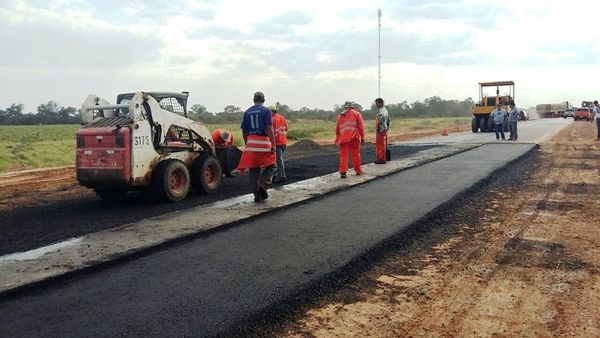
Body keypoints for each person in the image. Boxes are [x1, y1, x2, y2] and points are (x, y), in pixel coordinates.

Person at [238, 92, 276, 202]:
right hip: (263, 142)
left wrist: (247, 144)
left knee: (254, 169)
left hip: (251, 143)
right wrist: (273, 144)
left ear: (253, 100)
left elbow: (244, 131)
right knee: (272, 165)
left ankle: (256, 194)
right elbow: (269, 128)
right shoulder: (266, 111)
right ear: (264, 100)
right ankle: (263, 185)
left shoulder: (247, 112)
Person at [335, 101, 365, 178]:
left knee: (343, 155)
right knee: (356, 154)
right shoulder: (356, 114)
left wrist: (338, 138)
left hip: (343, 138)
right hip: (354, 137)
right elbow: (361, 127)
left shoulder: (340, 115)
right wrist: (362, 138)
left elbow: (337, 129)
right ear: (352, 106)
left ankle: (343, 172)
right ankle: (358, 171)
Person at [270, 104, 288, 183]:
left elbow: (270, 132)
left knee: (278, 159)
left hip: (277, 142)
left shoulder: (272, 120)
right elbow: (286, 129)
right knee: (277, 159)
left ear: (272, 111)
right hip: (283, 141)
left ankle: (281, 176)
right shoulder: (282, 118)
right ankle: (275, 175)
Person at [374, 97, 390, 164]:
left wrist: (380, 128)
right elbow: (389, 120)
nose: (376, 104)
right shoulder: (383, 110)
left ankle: (381, 159)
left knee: (380, 144)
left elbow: (382, 119)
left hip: (381, 129)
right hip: (382, 129)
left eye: (377, 103)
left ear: (380, 103)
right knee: (379, 144)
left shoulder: (382, 111)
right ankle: (379, 158)